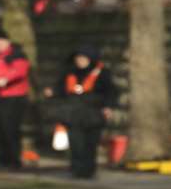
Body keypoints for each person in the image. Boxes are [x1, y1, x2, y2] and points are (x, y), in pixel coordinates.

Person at [46, 45, 117, 179]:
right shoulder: (69, 73)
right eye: (78, 58)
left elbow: (111, 92)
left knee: (91, 143)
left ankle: (89, 170)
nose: (80, 61)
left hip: (93, 113)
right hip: (73, 113)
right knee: (76, 143)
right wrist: (53, 92)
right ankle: (76, 169)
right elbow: (61, 89)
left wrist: (108, 106)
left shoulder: (102, 73)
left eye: (83, 58)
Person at [0, 32, 32, 170]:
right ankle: (2, 160)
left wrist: (6, 79)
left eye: (1, 41)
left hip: (12, 97)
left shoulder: (16, 55)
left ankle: (14, 161)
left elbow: (20, 71)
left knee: (10, 129)